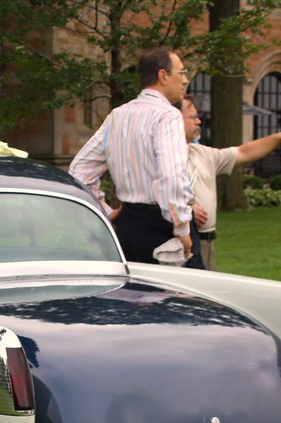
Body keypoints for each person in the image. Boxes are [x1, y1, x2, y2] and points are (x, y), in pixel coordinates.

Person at [68, 48, 193, 263]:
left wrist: (105, 210)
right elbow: (171, 176)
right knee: (184, 294)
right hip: (162, 227)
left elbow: (79, 171)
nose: (185, 80)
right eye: (181, 73)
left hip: (128, 225)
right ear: (163, 76)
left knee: (133, 294)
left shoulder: (118, 115)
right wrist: (181, 227)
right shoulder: (168, 115)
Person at [179, 96, 281, 271]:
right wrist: (187, 210)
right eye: (192, 117)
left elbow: (243, 152)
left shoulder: (202, 153)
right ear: (175, 121)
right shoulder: (160, 159)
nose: (199, 121)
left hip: (208, 242)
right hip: (185, 244)